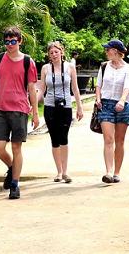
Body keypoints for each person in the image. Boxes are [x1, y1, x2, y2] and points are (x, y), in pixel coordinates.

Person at [0, 27, 39, 200]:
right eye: (7, 42)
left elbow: (32, 88)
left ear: (20, 41)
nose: (10, 45)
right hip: (1, 108)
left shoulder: (28, 62)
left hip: (20, 109)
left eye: (13, 41)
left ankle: (14, 184)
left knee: (16, 147)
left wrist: (35, 113)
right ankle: (12, 168)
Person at [37, 41, 84, 183]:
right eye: (51, 53)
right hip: (50, 106)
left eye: (56, 52)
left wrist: (79, 107)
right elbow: (42, 89)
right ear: (48, 55)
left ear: (61, 52)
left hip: (66, 106)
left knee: (64, 137)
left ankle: (65, 172)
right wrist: (32, 105)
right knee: (54, 138)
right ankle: (58, 172)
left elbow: (75, 88)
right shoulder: (45, 68)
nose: (54, 54)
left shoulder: (70, 67)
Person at [94, 39, 129, 184]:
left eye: (108, 49)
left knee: (119, 140)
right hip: (105, 104)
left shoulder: (128, 68)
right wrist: (98, 98)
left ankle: (117, 172)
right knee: (108, 139)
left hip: (122, 105)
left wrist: (122, 101)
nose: (106, 52)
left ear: (116, 51)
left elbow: (128, 86)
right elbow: (98, 85)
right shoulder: (104, 66)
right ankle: (109, 172)